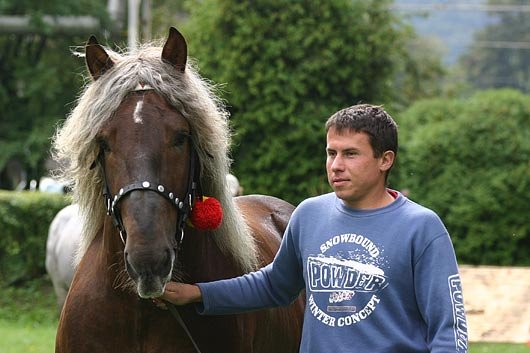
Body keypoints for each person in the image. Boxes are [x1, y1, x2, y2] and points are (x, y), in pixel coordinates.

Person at [159, 104, 468, 353]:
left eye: (350, 154)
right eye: (331, 153)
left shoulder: (422, 228)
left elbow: (449, 329)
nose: (336, 165)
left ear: (385, 160)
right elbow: (273, 286)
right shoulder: (309, 214)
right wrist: (199, 294)